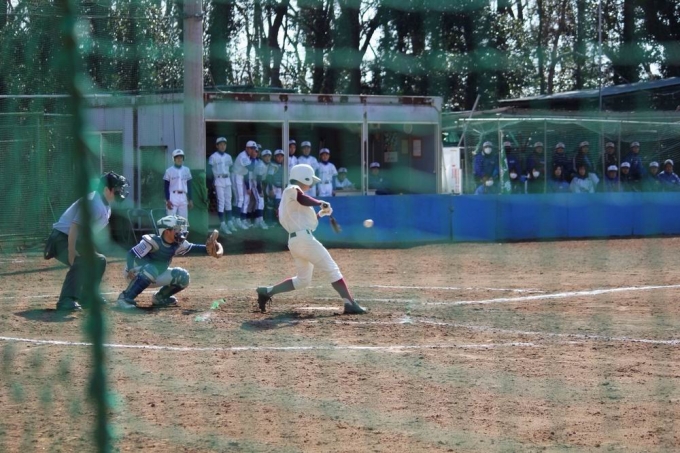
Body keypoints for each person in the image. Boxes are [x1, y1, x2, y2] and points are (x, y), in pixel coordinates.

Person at [255, 164, 366, 315]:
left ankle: (267, 291)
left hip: (297, 241)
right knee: (332, 269)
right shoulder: (291, 189)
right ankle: (349, 303)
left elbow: (304, 221)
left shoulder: (291, 199)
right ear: (303, 177)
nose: (311, 184)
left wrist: (321, 213)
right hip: (303, 240)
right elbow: (303, 199)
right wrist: (319, 202)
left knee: (303, 280)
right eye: (310, 180)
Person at [43, 172, 129, 311]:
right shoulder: (93, 203)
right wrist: (71, 250)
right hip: (61, 239)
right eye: (117, 189)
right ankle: (66, 300)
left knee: (99, 260)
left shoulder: (105, 205)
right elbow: (75, 227)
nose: (120, 192)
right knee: (80, 261)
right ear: (106, 190)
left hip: (73, 238)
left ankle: (87, 296)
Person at [116, 215, 223, 309]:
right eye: (176, 229)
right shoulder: (152, 241)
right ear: (167, 231)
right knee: (151, 269)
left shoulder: (178, 244)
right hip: (135, 274)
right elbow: (131, 254)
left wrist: (209, 249)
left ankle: (160, 298)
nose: (180, 232)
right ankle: (125, 298)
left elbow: (194, 248)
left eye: (180, 229)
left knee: (183, 276)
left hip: (155, 274)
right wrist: (130, 269)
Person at [208, 137, 235, 235]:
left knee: (228, 201)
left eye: (224, 144)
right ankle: (223, 224)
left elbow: (230, 168)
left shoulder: (228, 157)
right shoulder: (213, 157)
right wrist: (211, 183)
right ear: (217, 146)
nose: (223, 146)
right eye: (221, 144)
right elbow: (210, 170)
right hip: (218, 179)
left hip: (227, 179)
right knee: (221, 202)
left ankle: (230, 222)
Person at [231, 140, 258, 229]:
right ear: (246, 148)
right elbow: (250, 168)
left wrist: (247, 187)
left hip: (241, 176)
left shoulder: (248, 156)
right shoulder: (243, 156)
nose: (253, 150)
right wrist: (254, 157)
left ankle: (237, 219)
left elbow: (246, 173)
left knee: (241, 199)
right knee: (239, 199)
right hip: (236, 175)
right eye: (251, 148)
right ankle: (237, 220)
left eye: (254, 149)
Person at [164, 149, 193, 218]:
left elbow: (189, 186)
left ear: (183, 158)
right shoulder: (169, 171)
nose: (179, 159)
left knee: (183, 219)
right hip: (173, 196)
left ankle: (182, 226)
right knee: (171, 219)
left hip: (183, 196)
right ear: (174, 159)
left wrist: (191, 199)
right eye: (177, 157)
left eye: (181, 157)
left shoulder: (187, 170)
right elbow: (166, 187)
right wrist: (167, 200)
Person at [265, 149, 285, 225]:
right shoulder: (272, 165)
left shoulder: (283, 166)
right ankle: (269, 221)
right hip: (272, 186)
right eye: (278, 156)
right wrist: (270, 190)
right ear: (275, 157)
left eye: (281, 156)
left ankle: (276, 221)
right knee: (270, 204)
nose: (280, 158)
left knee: (278, 205)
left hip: (279, 188)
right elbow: (269, 177)